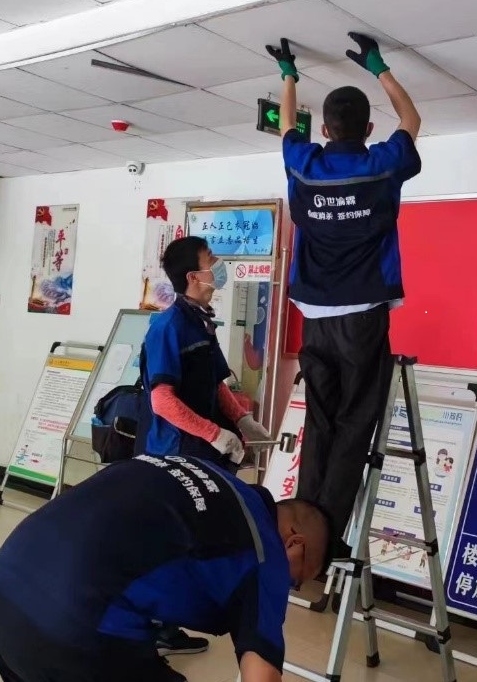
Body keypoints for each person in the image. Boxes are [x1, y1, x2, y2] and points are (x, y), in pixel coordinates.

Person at [265, 32, 422, 552]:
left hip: (314, 316)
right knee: (356, 420)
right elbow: (412, 120)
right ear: (369, 130)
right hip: (363, 318)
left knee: (321, 418)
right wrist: (380, 68)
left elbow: (287, 126)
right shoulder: (382, 165)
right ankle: (324, 540)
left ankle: (298, 526)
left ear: (325, 130)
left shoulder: (304, 166)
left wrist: (289, 75)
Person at [0, 454, 329, 682]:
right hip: (72, 632)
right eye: (298, 579)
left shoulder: (201, 470)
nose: (289, 586)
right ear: (294, 543)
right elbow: (262, 676)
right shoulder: (265, 550)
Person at [140, 235, 274, 656]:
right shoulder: (166, 327)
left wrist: (243, 420)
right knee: (171, 539)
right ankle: (151, 627)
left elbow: (216, 385)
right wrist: (215, 434)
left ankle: (169, 622)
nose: (218, 266)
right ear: (192, 276)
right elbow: (162, 400)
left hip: (202, 450)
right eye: (210, 260)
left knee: (194, 537)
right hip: (175, 451)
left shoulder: (201, 322)